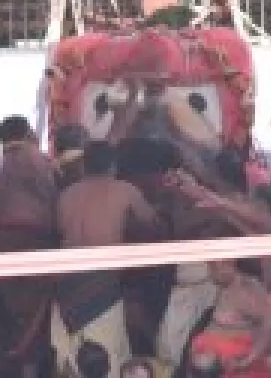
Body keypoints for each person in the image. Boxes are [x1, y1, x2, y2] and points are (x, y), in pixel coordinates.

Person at [52, 140, 158, 378]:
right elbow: (152, 223)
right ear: (113, 166)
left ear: (83, 167)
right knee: (106, 355)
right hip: (102, 281)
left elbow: (59, 231)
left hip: (66, 280)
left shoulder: (66, 195)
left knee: (68, 356)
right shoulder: (124, 190)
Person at [0, 115, 61, 378]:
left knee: (10, 323)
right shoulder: (31, 155)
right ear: (29, 134)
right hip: (28, 241)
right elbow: (51, 196)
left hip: (1, 241)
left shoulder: (7, 162)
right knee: (31, 323)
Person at [188, 258, 271, 378]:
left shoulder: (246, 289)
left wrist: (248, 360)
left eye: (212, 267)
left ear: (228, 262)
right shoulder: (226, 288)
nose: (209, 273)